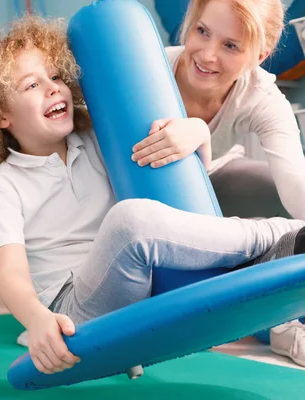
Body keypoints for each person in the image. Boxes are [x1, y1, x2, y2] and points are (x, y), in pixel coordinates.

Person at [0, 15, 305, 375]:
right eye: (32, 86)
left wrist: (197, 129)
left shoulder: (98, 138)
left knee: (150, 225)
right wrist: (38, 322)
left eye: (56, 77)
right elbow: (11, 275)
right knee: (129, 221)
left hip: (136, 287)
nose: (54, 88)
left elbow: (186, 170)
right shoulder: (4, 186)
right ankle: (278, 232)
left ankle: (276, 256)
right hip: (73, 310)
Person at [131, 0, 305, 366]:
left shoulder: (258, 95)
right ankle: (270, 324)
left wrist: (198, 135)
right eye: (202, 32)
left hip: (214, 196)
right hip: (139, 204)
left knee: (269, 188)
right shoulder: (149, 70)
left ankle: (279, 318)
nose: (208, 55)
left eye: (230, 46)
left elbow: (295, 186)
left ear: (260, 55)